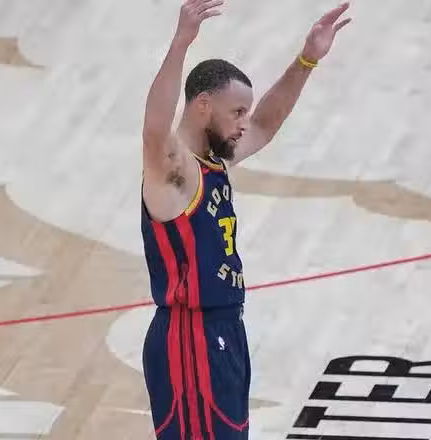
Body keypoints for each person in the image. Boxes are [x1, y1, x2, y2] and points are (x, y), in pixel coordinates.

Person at [139, 1, 351, 438]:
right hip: (190, 337)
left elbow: (267, 125)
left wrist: (307, 60)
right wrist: (180, 44)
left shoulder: (214, 160)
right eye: (237, 112)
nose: (244, 123)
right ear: (203, 106)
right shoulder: (174, 171)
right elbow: (155, 130)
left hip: (224, 329)